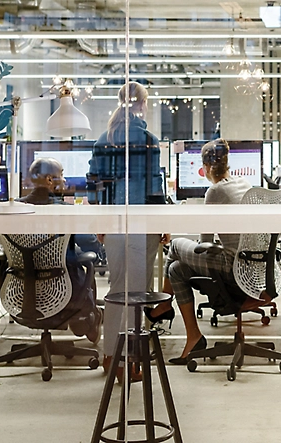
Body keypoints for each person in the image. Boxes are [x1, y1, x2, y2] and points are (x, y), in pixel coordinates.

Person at [146, 139, 264, 365]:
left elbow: (205, 242)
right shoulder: (243, 183)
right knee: (176, 269)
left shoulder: (216, 191)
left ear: (207, 167)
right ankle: (194, 337)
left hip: (233, 268)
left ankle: (163, 304)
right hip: (252, 268)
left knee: (177, 246)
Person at [92, 81, 171, 381]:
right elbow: (153, 189)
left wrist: (100, 222)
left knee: (116, 290)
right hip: (140, 226)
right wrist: (162, 224)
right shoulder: (148, 140)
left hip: (113, 225)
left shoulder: (104, 139)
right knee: (136, 293)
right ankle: (125, 362)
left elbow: (94, 185)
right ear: (141, 104)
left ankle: (110, 355)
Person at [15, 157, 103, 343]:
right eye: (61, 175)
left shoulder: (16, 209)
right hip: (63, 290)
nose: (65, 180)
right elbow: (91, 245)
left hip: (21, 291)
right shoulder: (65, 211)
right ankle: (86, 317)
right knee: (85, 262)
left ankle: (83, 316)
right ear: (49, 180)